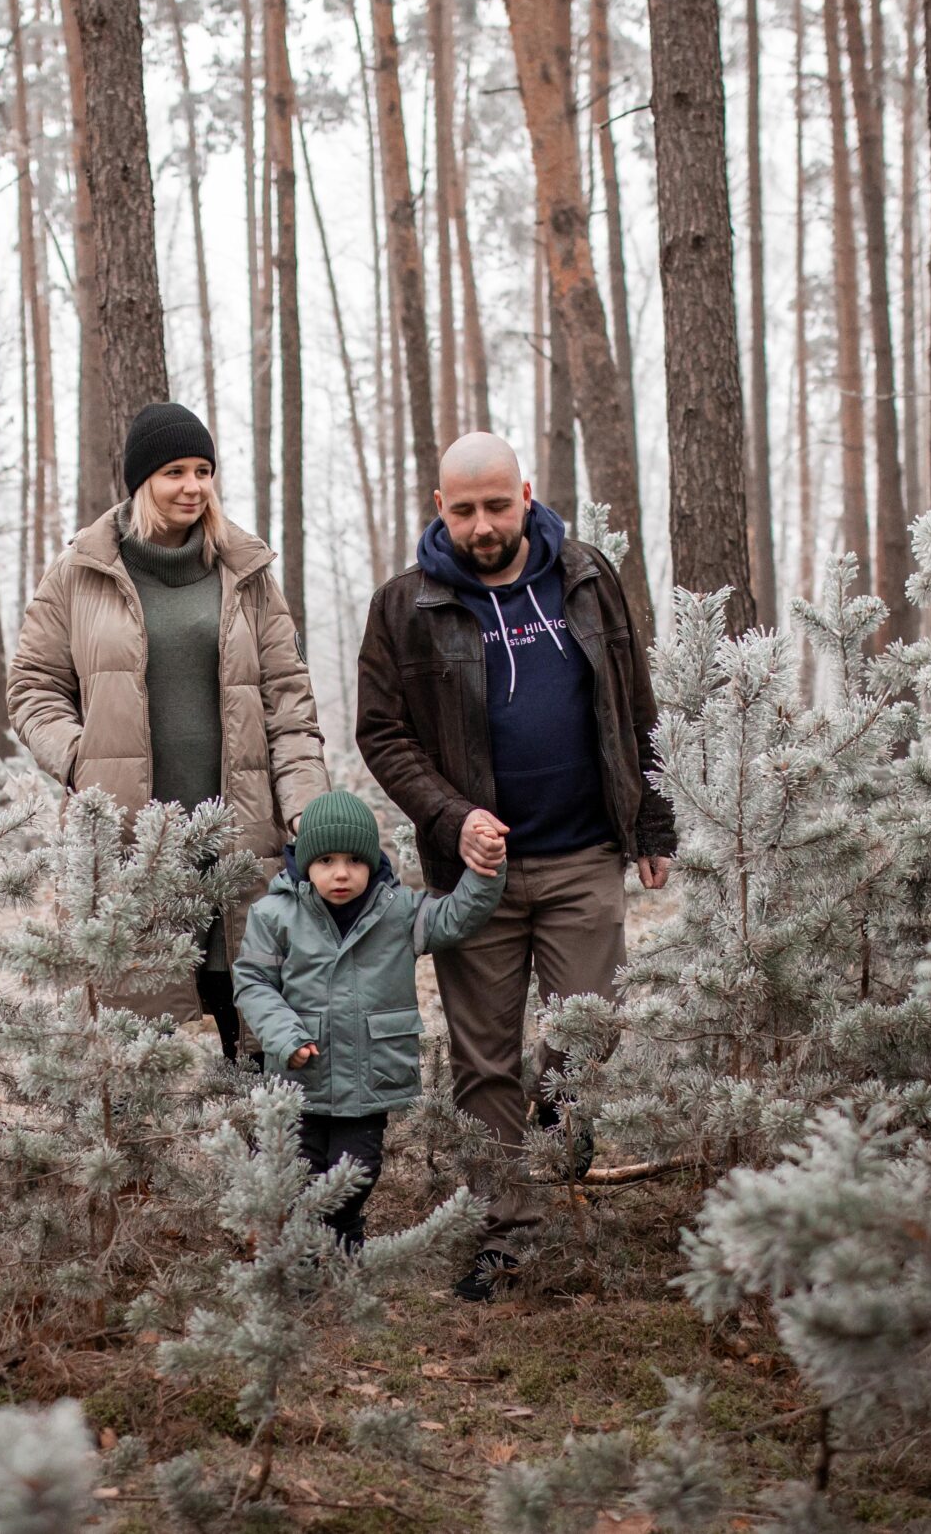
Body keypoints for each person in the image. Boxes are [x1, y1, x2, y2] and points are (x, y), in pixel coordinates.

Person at [355, 432, 675, 1301]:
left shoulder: (586, 575)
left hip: (582, 855)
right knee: (482, 1060)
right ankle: (507, 1233)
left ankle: (554, 1128)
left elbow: (631, 699)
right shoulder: (403, 607)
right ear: (440, 507)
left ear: (526, 493)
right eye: (464, 510)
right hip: (476, 880)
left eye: (498, 505)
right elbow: (382, 735)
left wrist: (653, 817)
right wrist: (453, 820)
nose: (484, 524)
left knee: (589, 1031)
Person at [8, 401, 328, 1054]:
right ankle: (142, 1159)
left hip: (241, 838)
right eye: (174, 471)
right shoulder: (81, 570)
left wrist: (305, 807)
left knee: (259, 1027)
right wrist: (83, 760)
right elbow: (32, 686)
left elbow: (289, 701)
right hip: (136, 847)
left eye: (204, 470)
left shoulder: (247, 571)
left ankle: (264, 1154)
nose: (192, 486)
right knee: (134, 1044)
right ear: (141, 481)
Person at [232, 790, 505, 1250]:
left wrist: (485, 870)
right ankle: (299, 1257)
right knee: (298, 1171)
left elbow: (460, 916)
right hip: (301, 1075)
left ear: (374, 861)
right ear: (304, 862)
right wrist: (284, 1035)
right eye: (327, 861)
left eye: (355, 861)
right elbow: (254, 982)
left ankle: (342, 1237)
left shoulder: (397, 911)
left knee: (355, 1170)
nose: (341, 873)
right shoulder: (274, 914)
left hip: (368, 1077)